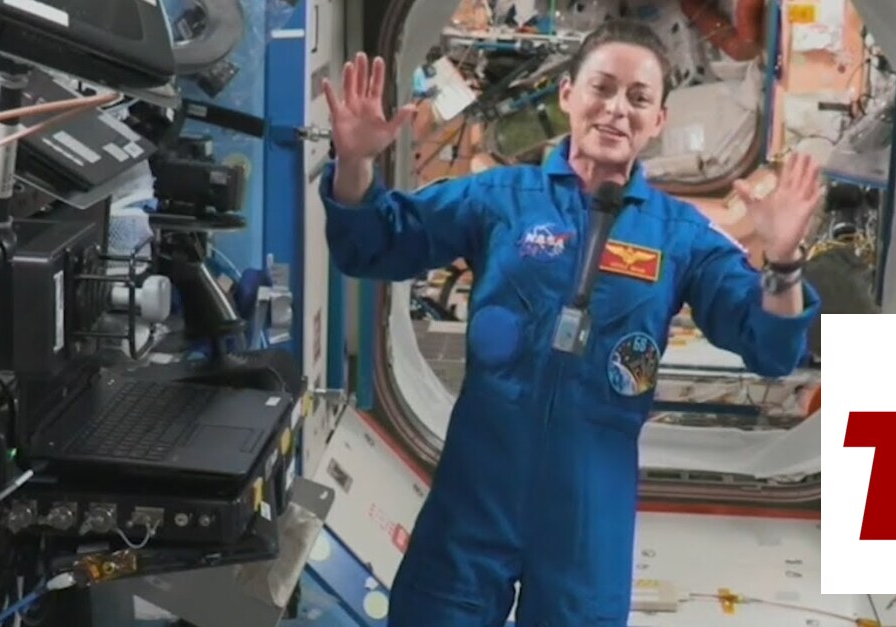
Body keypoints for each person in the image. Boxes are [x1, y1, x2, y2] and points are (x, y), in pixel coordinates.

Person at [319, 20, 821, 627]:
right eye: (602, 88)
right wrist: (355, 162)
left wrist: (784, 262)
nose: (617, 109)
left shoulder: (680, 236)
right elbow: (376, 243)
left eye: (638, 98)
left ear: (658, 119)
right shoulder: (501, 198)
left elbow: (769, 345)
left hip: (589, 508)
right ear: (567, 95)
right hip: (479, 487)